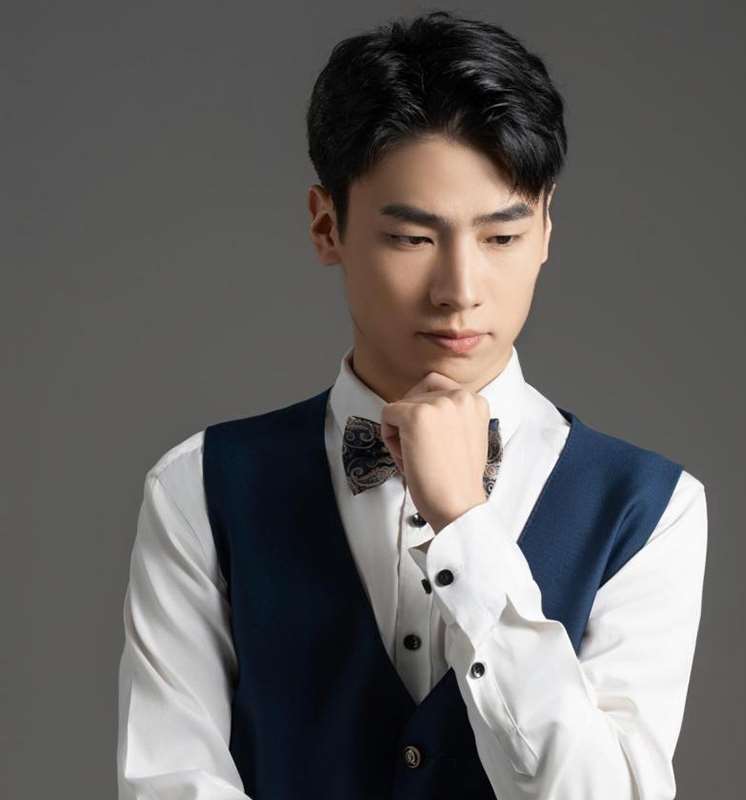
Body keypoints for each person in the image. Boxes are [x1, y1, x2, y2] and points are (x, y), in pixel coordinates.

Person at [117, 10, 707, 800]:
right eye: (413, 238)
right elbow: (171, 783)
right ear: (327, 226)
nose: (460, 290)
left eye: (501, 238)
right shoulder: (200, 488)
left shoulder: (650, 508)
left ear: (545, 230)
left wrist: (467, 528)